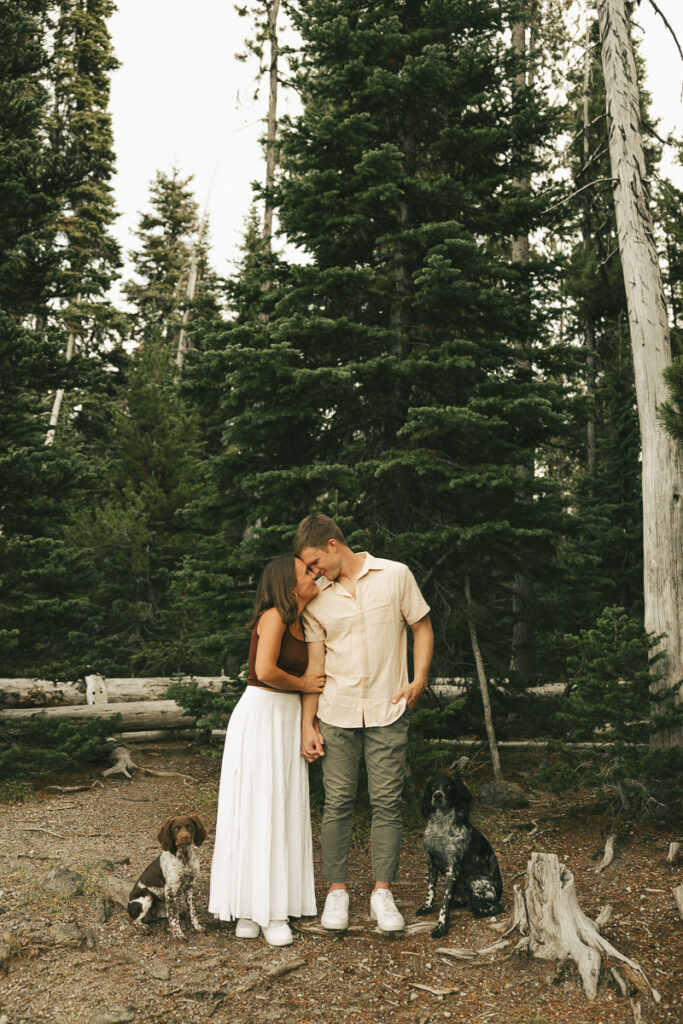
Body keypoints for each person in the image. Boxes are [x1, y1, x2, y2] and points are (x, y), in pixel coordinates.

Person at [295, 513, 434, 933]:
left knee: (387, 803)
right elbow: (315, 667)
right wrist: (308, 723)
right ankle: (337, 893)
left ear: (333, 545)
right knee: (336, 803)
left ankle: (382, 894)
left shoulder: (395, 576)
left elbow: (422, 627)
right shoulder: (316, 598)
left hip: (386, 708)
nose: (314, 572)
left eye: (316, 562)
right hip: (336, 713)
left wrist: (419, 679)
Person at [208, 554, 325, 946]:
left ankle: (275, 910)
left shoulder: (307, 623)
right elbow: (265, 670)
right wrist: (307, 685)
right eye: (306, 571)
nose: (315, 574)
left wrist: (308, 720)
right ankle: (248, 908)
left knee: (282, 808)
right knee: (254, 807)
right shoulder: (274, 615)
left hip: (287, 717)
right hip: (260, 715)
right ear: (288, 585)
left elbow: (313, 679)